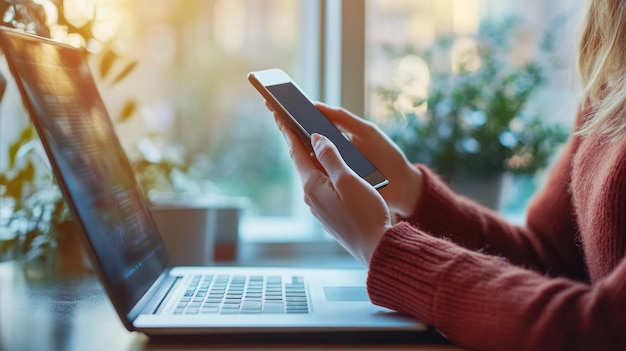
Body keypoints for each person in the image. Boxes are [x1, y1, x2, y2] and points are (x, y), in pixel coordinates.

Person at [268, 1, 626, 350]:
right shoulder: (614, 71)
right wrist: (409, 190)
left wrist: (381, 247)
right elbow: (550, 257)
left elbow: (600, 330)